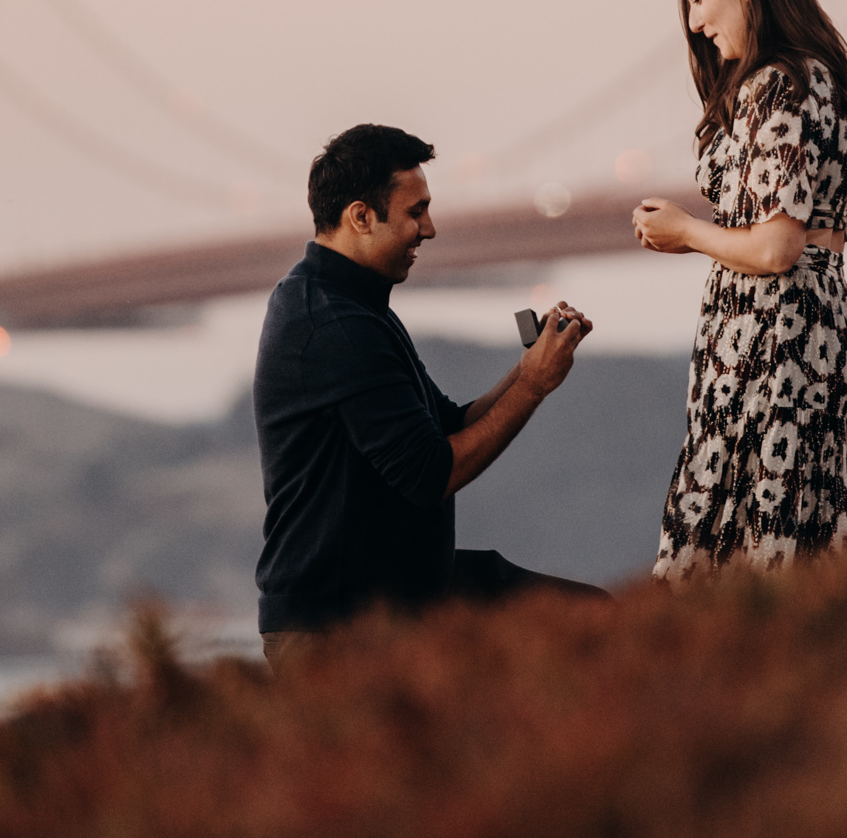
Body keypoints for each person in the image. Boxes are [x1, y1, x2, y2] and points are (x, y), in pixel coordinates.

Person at [253, 123, 603, 663]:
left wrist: (530, 369)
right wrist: (534, 385)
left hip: (407, 595)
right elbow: (431, 473)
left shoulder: (352, 306)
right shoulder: (334, 326)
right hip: (339, 630)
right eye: (415, 212)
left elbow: (448, 425)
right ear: (360, 217)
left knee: (597, 620)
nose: (430, 229)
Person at [632, 0, 847, 578]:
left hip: (771, 340)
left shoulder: (780, 85)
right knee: (797, 546)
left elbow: (775, 249)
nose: (693, 22)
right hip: (811, 333)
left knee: (727, 556)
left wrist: (686, 231)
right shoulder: (820, 77)